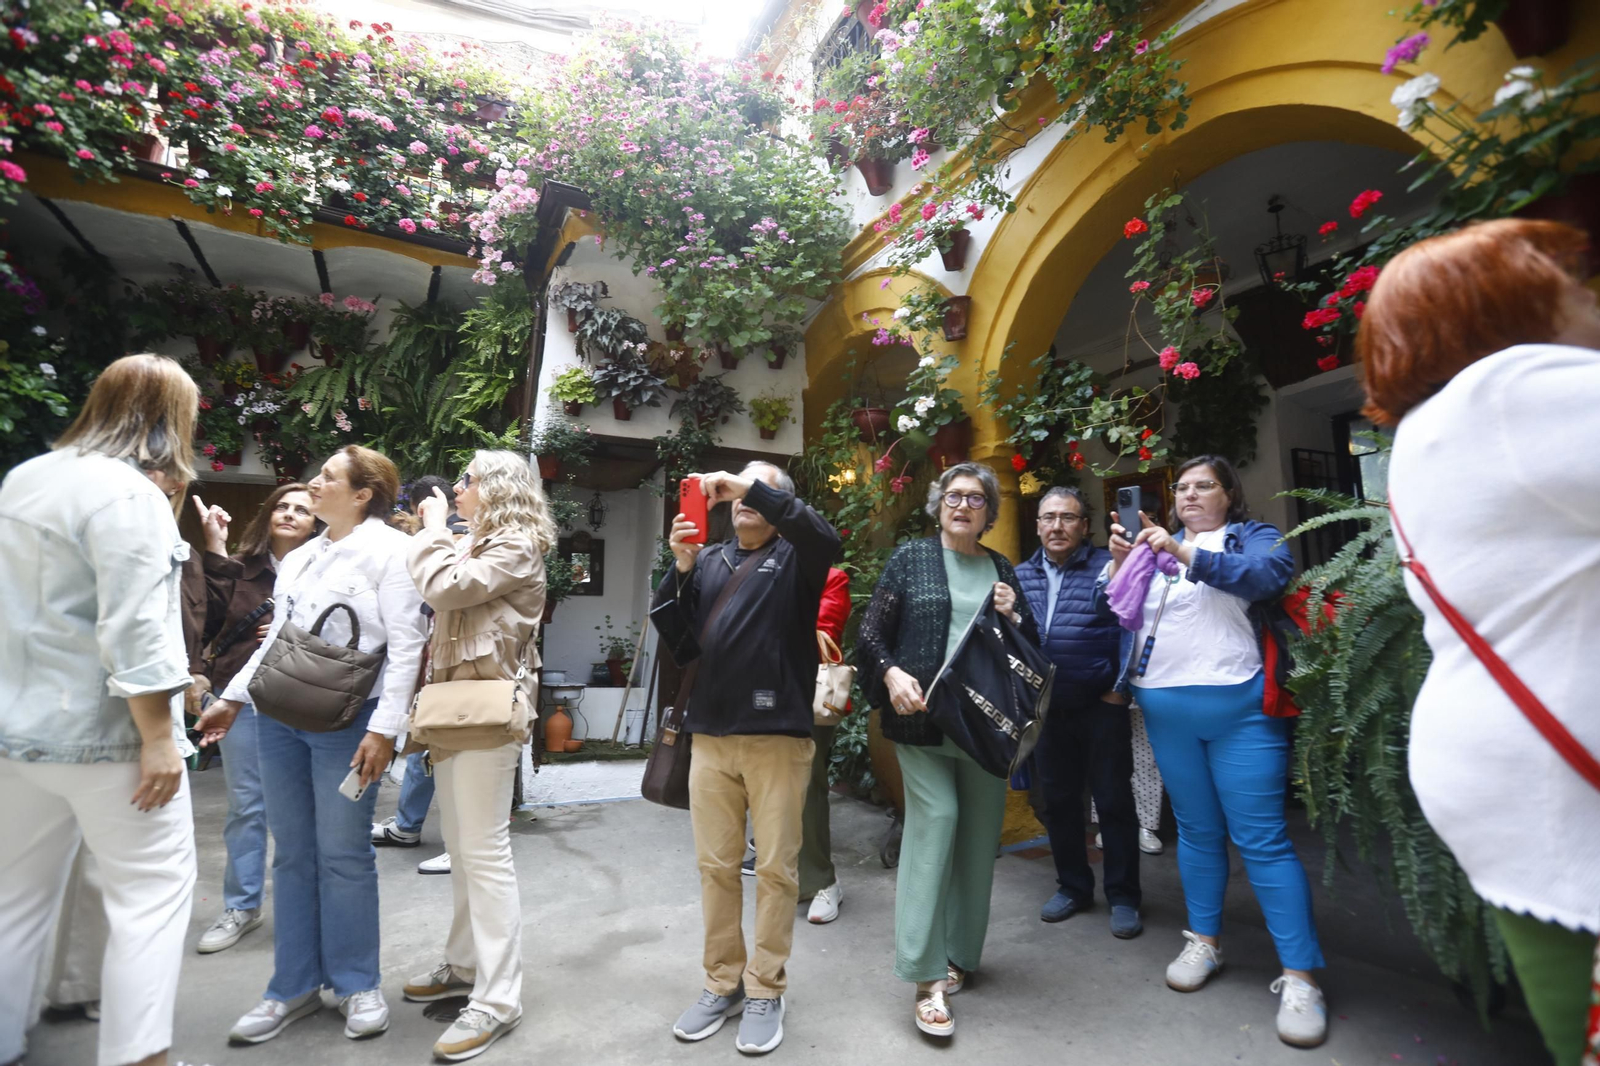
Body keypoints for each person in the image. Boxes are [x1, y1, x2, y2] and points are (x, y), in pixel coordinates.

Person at [1361, 219, 1600, 1066]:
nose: (1584, 292)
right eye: (1562, 276)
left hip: (1518, 771)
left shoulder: (1427, 437)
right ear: (1502, 302)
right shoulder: (1510, 391)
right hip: (1556, 780)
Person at [0, 353, 202, 1066]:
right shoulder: (126, 495)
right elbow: (136, 627)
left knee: (13, 904)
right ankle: (141, 1056)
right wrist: (158, 738)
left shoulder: (24, 479)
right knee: (151, 897)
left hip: (16, 734)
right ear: (167, 419)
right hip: (104, 739)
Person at [200, 445, 428, 1046]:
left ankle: (357, 982)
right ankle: (291, 988)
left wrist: (386, 730)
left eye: (328, 477)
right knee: (293, 854)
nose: (314, 483)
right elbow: (276, 637)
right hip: (276, 717)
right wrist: (234, 696)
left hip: (348, 725)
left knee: (344, 854)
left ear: (361, 495)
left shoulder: (393, 554)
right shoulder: (301, 558)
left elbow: (407, 646)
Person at [1106, 454, 1325, 1048]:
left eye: (1205, 485)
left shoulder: (1253, 538)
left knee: (1262, 839)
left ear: (1229, 494)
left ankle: (1301, 977)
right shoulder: (1155, 549)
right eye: (1181, 488)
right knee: (1199, 833)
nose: (1191, 495)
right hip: (1165, 711)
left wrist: (1182, 554)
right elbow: (1121, 618)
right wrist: (1127, 565)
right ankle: (1204, 941)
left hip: (1242, 711)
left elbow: (1267, 577)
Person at [658, 461, 840, 1055]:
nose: (739, 497)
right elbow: (680, 640)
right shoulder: (710, 561)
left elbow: (825, 537)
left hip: (777, 739)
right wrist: (681, 569)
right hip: (709, 735)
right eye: (734, 489)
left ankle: (766, 987)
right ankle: (722, 982)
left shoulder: (798, 558)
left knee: (776, 872)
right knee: (716, 868)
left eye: (756, 490)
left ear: (778, 503)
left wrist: (750, 486)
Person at [856, 462, 1037, 1039]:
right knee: (938, 823)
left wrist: (1016, 613)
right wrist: (890, 676)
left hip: (985, 731)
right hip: (922, 724)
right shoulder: (911, 558)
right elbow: (870, 635)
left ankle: (960, 955)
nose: (964, 506)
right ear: (938, 504)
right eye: (954, 496)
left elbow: (1027, 650)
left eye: (977, 499)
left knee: (979, 840)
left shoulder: (1002, 567)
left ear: (989, 513)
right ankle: (925, 976)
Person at [399, 451, 550, 1061]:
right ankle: (465, 964)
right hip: (455, 707)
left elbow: (446, 588)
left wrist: (433, 530)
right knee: (461, 848)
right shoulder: (480, 543)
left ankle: (498, 999)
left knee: (484, 852)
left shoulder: (516, 544)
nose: (455, 489)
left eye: (465, 480)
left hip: (488, 712)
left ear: (496, 489)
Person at [195, 483, 319, 954]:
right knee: (246, 804)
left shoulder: (326, 567)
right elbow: (207, 620)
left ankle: (300, 906)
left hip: (303, 696)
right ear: (268, 514)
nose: (289, 514)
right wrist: (216, 547)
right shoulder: (239, 568)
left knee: (303, 808)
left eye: (302, 509)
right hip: (239, 696)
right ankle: (242, 906)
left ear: (317, 521)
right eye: (282, 506)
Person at [1014, 486, 1142, 937]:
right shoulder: (1019, 575)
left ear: (1084, 526)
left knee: (1113, 801)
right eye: (1048, 518)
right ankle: (1073, 886)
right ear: (1037, 526)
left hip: (1099, 704)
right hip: (1047, 711)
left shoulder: (1109, 564)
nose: (1057, 526)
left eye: (1068, 518)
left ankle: (1124, 895)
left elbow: (1133, 624)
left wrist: (1119, 689)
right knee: (1060, 802)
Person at [740, 566, 852, 925]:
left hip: (809, 698)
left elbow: (824, 632)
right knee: (765, 785)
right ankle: (778, 869)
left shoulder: (831, 577)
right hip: (759, 694)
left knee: (809, 788)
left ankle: (823, 882)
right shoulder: (758, 572)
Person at [373, 472, 463, 877]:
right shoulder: (451, 534)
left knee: (450, 750)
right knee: (425, 742)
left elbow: (440, 590)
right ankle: (408, 826)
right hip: (438, 654)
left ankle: (459, 844)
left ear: (421, 505)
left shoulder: (456, 536)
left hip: (458, 659)